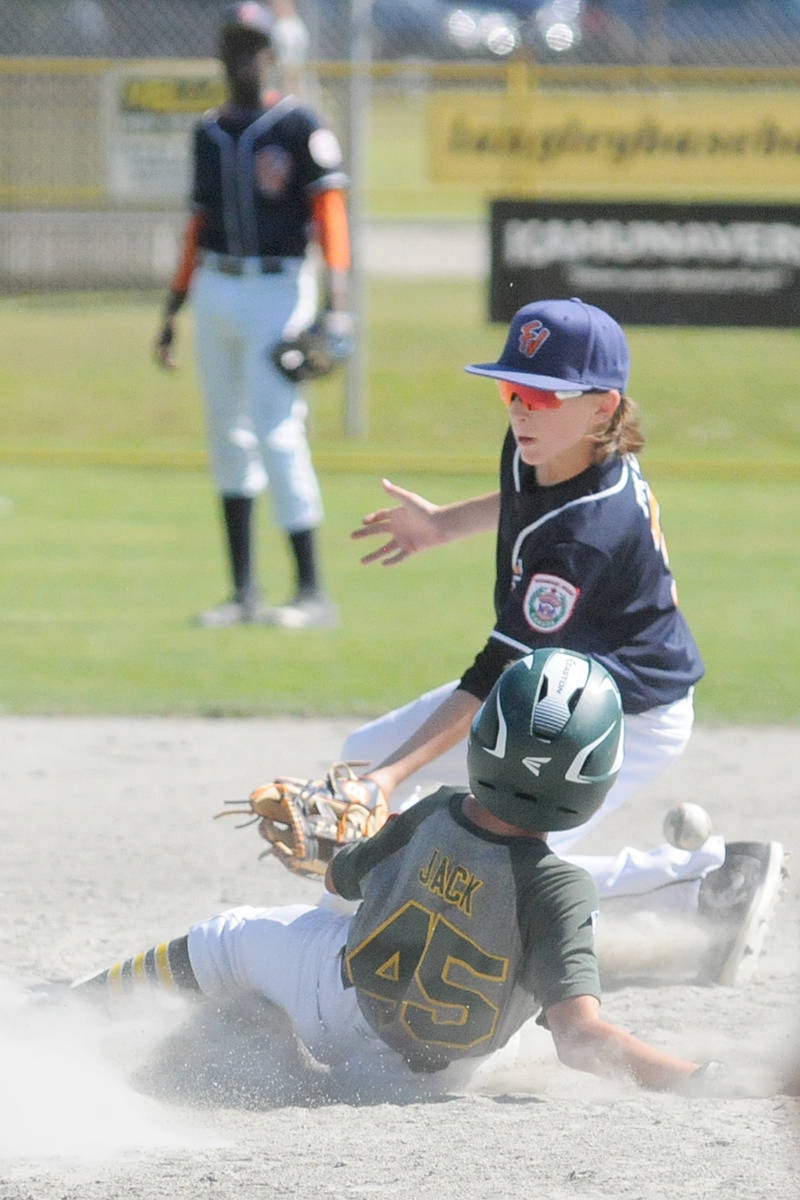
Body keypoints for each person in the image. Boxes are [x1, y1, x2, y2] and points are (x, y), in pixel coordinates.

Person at [339, 297, 784, 981]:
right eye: (513, 389)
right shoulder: (547, 452)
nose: (522, 409)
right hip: (554, 686)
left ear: (603, 406)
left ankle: (709, 885)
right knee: (358, 759)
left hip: (623, 711)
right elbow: (524, 500)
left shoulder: (587, 536)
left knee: (491, 871)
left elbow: (495, 669)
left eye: (545, 395)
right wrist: (443, 525)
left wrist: (389, 778)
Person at [68, 651, 744, 1096]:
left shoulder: (433, 815)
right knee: (538, 1005)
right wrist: (695, 1078)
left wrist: (361, 847)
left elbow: (337, 887)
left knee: (230, 938)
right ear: (598, 778)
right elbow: (581, 1038)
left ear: (484, 744)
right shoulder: (564, 891)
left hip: (341, 1014)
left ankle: (72, 1008)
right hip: (445, 1077)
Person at [155, 2, 351, 630]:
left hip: (278, 285)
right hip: (218, 284)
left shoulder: (298, 126)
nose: (242, 56)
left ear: (271, 52)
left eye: (253, 44)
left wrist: (338, 306)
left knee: (276, 430)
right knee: (226, 433)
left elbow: (331, 217)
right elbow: (197, 226)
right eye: (233, 45)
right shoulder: (208, 131)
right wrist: (171, 311)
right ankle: (243, 593)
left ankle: (312, 592)